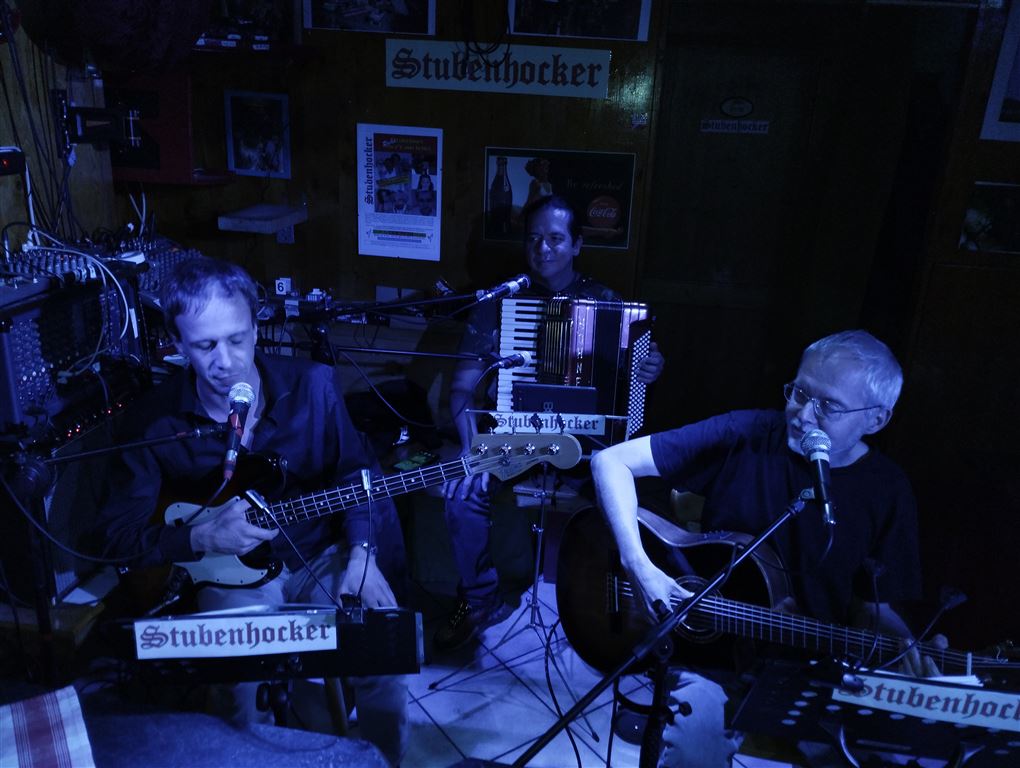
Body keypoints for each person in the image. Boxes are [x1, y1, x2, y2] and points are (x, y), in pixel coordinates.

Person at [95, 258, 408, 766]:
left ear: (257, 327)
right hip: (226, 574)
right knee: (236, 689)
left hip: (320, 554)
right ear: (177, 344)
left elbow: (357, 474)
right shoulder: (153, 421)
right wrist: (199, 539)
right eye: (205, 346)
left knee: (383, 655)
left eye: (237, 339)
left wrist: (363, 555)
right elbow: (113, 537)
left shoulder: (314, 386)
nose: (226, 361)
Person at [591, 329, 942, 767]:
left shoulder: (888, 490)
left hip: (816, 669)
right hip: (711, 659)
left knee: (876, 756)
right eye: (799, 392)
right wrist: (638, 565)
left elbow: (872, 608)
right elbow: (610, 461)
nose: (803, 414)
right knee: (693, 754)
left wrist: (906, 647)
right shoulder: (747, 432)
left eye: (829, 405)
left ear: (876, 419)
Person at [433, 194, 665, 651]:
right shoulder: (498, 303)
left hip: (585, 442)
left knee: (625, 503)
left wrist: (649, 368)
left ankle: (606, 608)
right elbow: (460, 389)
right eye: (534, 238)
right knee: (461, 493)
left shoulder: (607, 303)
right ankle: (478, 598)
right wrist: (470, 449)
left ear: (577, 244)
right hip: (515, 436)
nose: (543, 249)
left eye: (556, 239)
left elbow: (630, 386)